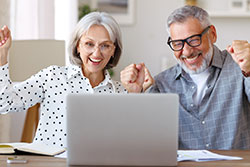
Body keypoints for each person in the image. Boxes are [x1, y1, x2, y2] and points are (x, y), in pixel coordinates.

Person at [120, 5, 250, 150]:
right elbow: (143, 143)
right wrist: (135, 95)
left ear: (212, 34)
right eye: (178, 43)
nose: (187, 51)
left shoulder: (240, 67)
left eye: (194, 40)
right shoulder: (161, 85)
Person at [0, 12, 126, 148]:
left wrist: (138, 91)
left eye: (105, 46)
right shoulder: (52, 76)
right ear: (78, 46)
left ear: (114, 50)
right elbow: (5, 103)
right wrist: (2, 55)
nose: (96, 53)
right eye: (89, 44)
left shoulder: (121, 92)